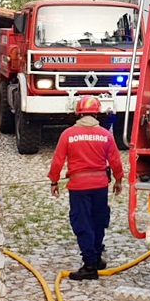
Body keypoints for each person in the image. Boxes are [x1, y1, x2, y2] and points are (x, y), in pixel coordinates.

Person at [48, 95, 125, 280]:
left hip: (79, 187)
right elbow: (115, 160)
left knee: (82, 223)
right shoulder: (106, 135)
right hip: (100, 186)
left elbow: (58, 160)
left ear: (78, 112)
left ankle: (90, 266)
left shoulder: (68, 134)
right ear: (97, 113)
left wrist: (54, 181)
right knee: (98, 220)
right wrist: (119, 180)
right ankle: (97, 257)